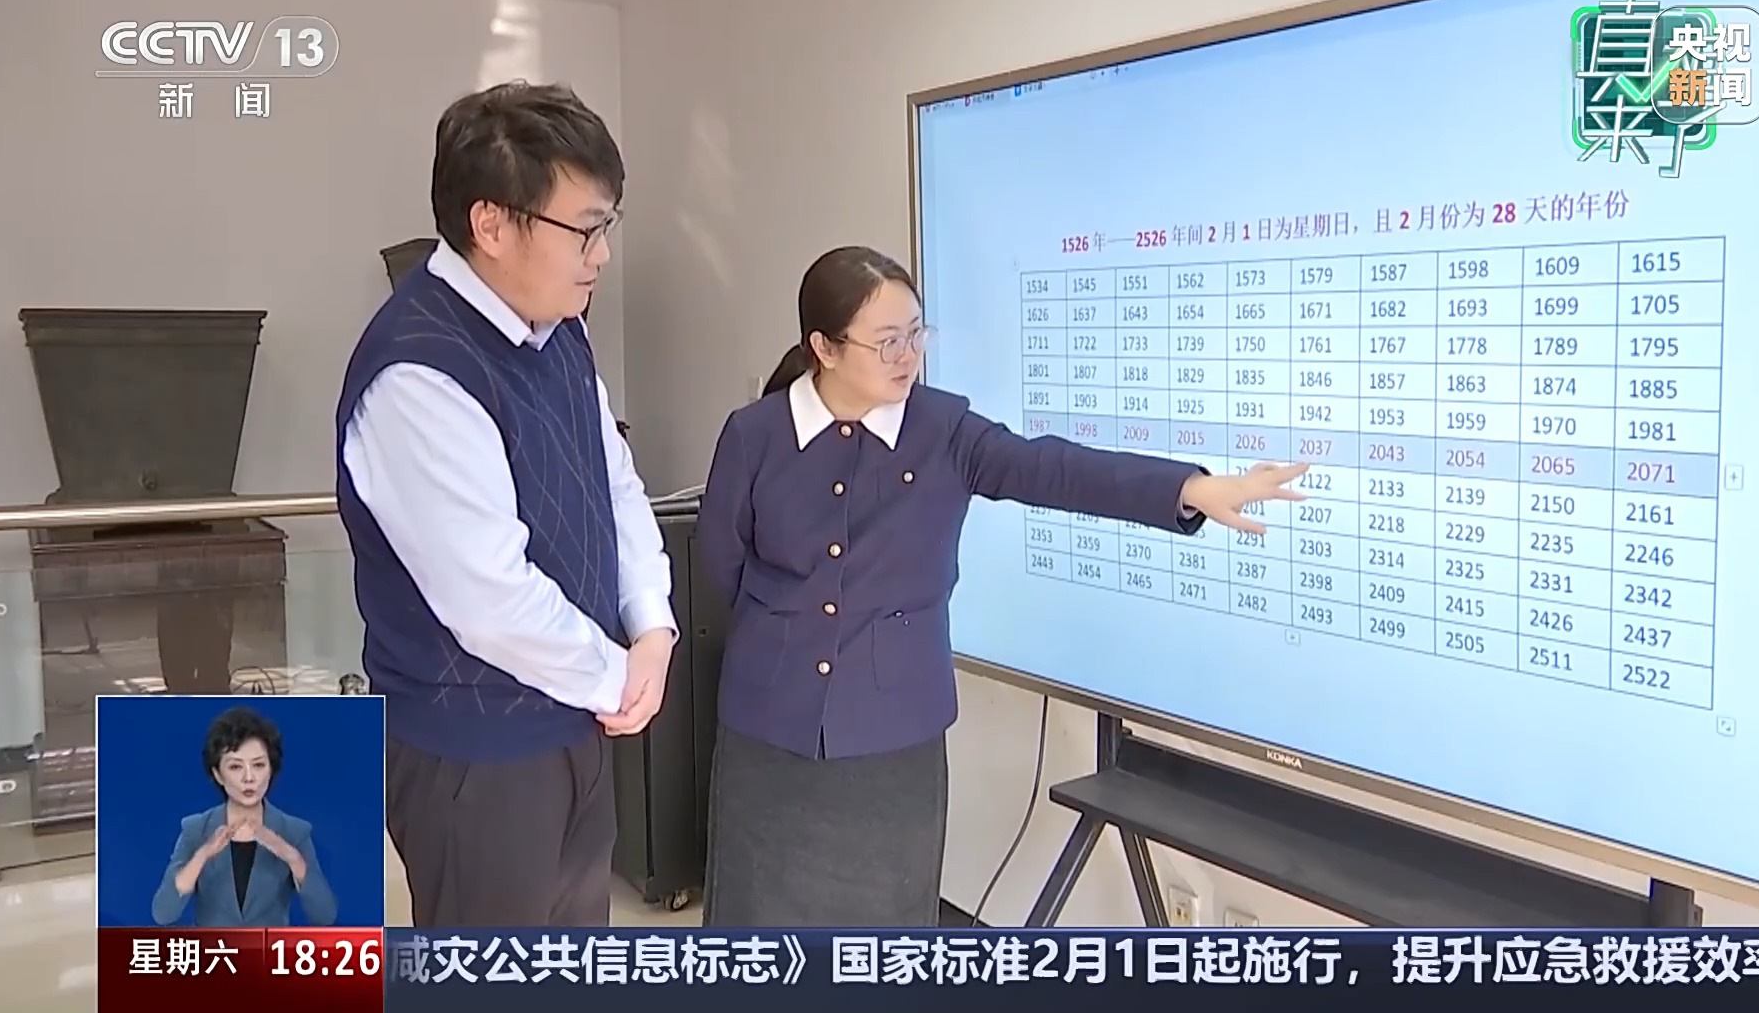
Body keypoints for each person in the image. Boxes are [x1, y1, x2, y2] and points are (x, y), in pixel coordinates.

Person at [695, 246, 1309, 926]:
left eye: (916, 334)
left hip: (891, 732)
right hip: (768, 726)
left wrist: (1189, 488)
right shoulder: (755, 435)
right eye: (887, 341)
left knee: (882, 931)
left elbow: (1055, 470)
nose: (908, 356)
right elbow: (722, 562)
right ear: (825, 348)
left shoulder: (943, 430)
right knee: (757, 925)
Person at [334, 81, 677, 926]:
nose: (602, 253)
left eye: (608, 224)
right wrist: (617, 677)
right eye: (584, 228)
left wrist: (653, 625)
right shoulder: (418, 371)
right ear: (491, 224)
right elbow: (488, 596)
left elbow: (614, 482)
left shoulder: (561, 328)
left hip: (576, 721)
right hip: (473, 755)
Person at [151, 707, 337, 927]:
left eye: (258, 765)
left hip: (269, 948)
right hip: (214, 949)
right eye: (235, 767)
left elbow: (325, 916)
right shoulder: (196, 829)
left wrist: (293, 858)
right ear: (218, 774)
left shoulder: (294, 831)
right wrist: (202, 855)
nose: (249, 778)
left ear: (271, 769)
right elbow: (163, 914)